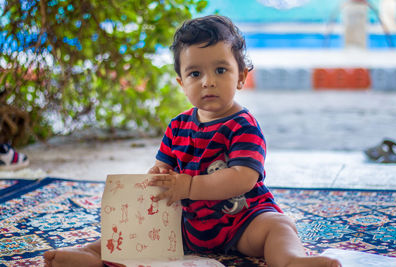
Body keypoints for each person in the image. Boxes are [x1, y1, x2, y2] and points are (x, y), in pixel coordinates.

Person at [44, 15, 341, 267]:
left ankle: (291, 261)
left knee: (278, 227)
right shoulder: (177, 126)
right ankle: (93, 254)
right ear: (181, 83)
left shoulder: (243, 126)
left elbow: (243, 177)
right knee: (133, 230)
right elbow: (162, 167)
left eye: (220, 70)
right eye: (195, 73)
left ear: (241, 77)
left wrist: (188, 186)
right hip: (187, 224)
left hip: (242, 220)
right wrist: (159, 177)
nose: (207, 81)